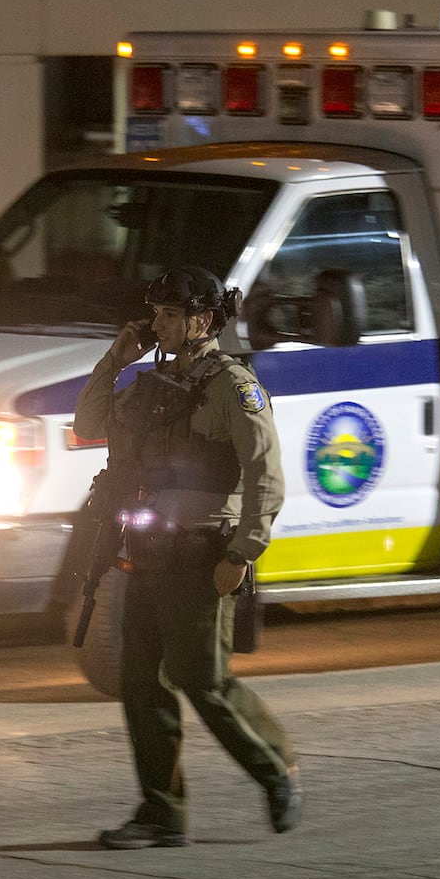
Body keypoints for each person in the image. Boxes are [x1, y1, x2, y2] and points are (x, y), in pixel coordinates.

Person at [73, 266, 302, 849]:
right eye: (156, 314)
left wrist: (244, 551)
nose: (159, 324)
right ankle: (162, 812)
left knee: (203, 679)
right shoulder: (151, 385)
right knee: (141, 683)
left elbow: (266, 477)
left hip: (202, 556)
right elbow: (88, 423)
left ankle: (275, 767)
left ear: (203, 319)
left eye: (170, 315)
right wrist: (116, 358)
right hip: (145, 554)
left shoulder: (232, 386)